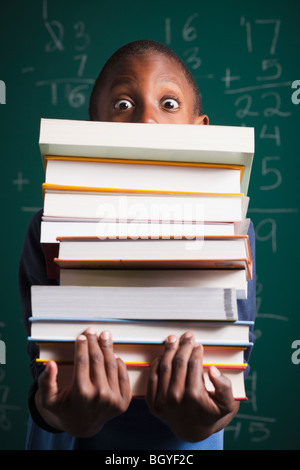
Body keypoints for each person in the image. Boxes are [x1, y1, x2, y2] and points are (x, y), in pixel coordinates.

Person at [19, 39, 256, 450]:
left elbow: (231, 367)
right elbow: (42, 375)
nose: (147, 120)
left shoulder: (235, 230)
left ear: (200, 131)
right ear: (91, 132)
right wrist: (58, 414)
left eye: (168, 103)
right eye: (124, 105)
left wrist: (205, 423)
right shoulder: (47, 227)